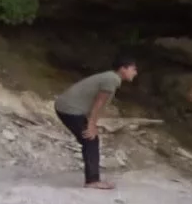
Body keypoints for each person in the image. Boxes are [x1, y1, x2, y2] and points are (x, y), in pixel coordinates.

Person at [53, 58, 138, 190]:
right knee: (90, 140)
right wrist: (91, 125)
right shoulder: (112, 79)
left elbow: (96, 103)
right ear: (123, 68)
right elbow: (99, 102)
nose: (135, 73)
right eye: (133, 69)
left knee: (90, 139)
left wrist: (91, 123)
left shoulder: (110, 78)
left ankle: (92, 179)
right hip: (69, 109)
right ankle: (92, 181)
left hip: (68, 108)